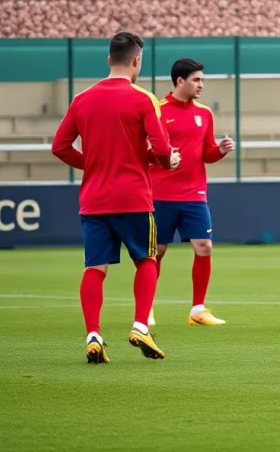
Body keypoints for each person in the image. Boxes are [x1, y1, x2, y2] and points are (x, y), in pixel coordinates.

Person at [51, 31, 180, 363]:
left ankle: (93, 334)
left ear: (109, 60)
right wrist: (167, 161)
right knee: (147, 260)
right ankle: (140, 325)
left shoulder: (82, 99)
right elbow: (163, 148)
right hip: (134, 197)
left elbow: (60, 147)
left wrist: (92, 164)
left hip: (94, 200)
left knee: (95, 267)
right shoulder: (143, 99)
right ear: (137, 60)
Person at [148, 58, 234, 328]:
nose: (201, 85)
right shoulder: (157, 110)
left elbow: (205, 153)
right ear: (180, 81)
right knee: (157, 251)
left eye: (202, 80)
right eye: (196, 80)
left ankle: (198, 309)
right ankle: (146, 308)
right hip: (160, 193)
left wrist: (219, 150)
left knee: (204, 246)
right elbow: (145, 151)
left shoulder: (205, 113)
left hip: (194, 194)